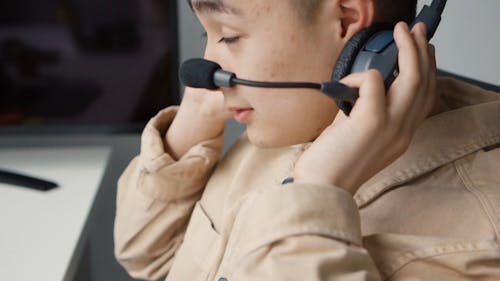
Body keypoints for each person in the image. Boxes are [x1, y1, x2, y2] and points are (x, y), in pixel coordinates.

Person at [114, 0, 500, 280]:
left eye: (229, 36)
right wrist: (191, 124)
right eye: (206, 33)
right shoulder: (283, 128)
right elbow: (147, 256)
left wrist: (320, 187)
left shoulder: (482, 241)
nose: (203, 67)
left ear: (347, 20)